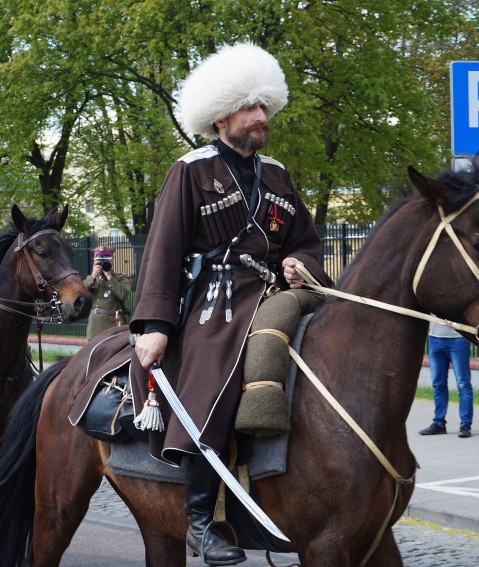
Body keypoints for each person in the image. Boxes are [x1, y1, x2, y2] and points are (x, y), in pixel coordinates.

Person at [129, 43, 332, 565]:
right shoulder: (190, 170)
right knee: (212, 373)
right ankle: (201, 522)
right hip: (213, 301)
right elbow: (164, 250)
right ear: (221, 116)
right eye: (250, 107)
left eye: (265, 106)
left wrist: (301, 265)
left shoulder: (278, 174)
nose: (261, 116)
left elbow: (307, 240)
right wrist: (155, 325)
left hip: (273, 294)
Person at [419, 322, 473, 438]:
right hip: (434, 339)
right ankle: (439, 423)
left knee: (463, 384)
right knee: (438, 384)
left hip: (458, 339)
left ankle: (465, 425)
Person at [84, 248, 131, 339]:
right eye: (99, 261)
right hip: (94, 324)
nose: (102, 264)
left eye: (106, 260)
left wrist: (109, 276)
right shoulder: (92, 279)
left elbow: (123, 294)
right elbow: (79, 293)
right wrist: (93, 275)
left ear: (112, 261)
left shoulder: (120, 278)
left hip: (112, 324)